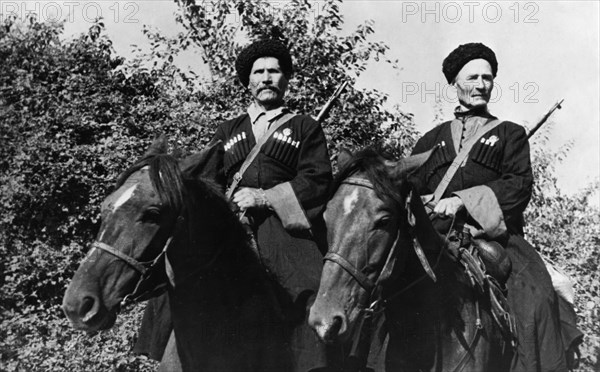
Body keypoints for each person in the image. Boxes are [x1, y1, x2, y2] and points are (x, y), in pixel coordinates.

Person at [410, 42, 581, 372]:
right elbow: (408, 189)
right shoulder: (429, 141)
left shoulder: (509, 134)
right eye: (472, 77)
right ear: (454, 83)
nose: (480, 85)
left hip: (494, 237)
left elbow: (519, 186)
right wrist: (430, 204)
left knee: (539, 299)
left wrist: (462, 201)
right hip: (435, 235)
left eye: (487, 78)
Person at [212, 38, 336, 372]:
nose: (267, 77)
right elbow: (209, 181)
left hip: (285, 232)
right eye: (259, 72)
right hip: (234, 232)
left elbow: (318, 179)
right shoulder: (227, 130)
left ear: (285, 79)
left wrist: (266, 198)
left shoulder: (304, 126)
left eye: (274, 71)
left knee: (310, 293)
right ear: (247, 81)